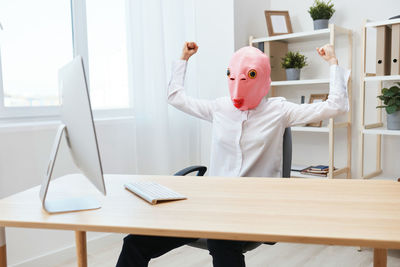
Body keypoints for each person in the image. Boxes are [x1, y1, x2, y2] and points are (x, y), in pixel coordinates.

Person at [116, 42, 350, 267]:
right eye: (232, 77)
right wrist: (183, 60)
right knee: (135, 242)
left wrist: (333, 63)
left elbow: (336, 106)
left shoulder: (279, 111)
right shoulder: (219, 108)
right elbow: (175, 97)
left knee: (221, 239)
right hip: (213, 203)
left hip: (254, 207)